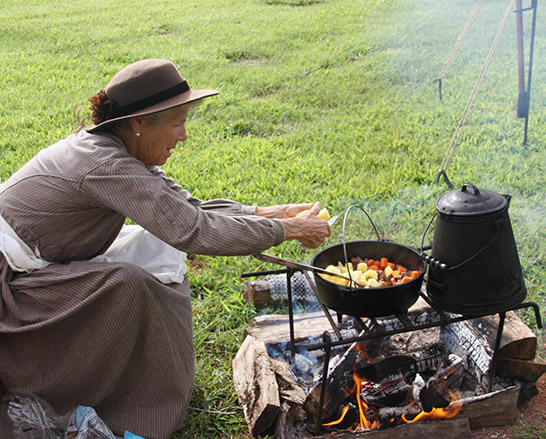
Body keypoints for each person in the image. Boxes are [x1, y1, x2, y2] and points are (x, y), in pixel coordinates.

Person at [0, 59, 331, 438]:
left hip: (41, 262)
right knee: (128, 283)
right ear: (139, 124)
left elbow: (189, 209)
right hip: (11, 287)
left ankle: (146, 384)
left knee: (150, 259)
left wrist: (268, 213)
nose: (183, 136)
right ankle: (112, 398)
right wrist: (286, 229)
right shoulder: (105, 164)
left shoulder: (120, 151)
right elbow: (193, 230)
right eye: (177, 123)